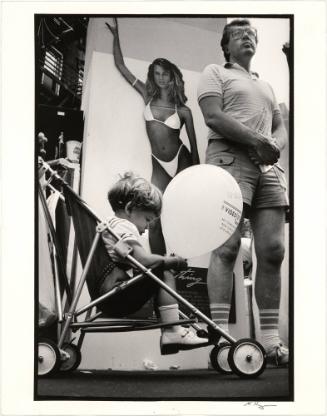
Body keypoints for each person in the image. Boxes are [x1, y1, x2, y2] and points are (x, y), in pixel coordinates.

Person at [197, 19, 289, 366]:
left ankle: (269, 342)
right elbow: (213, 117)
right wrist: (257, 142)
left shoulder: (265, 85)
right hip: (229, 160)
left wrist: (272, 147)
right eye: (238, 34)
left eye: (251, 34)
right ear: (226, 45)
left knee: (274, 250)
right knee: (227, 247)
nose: (247, 37)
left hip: (268, 169)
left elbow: (280, 128)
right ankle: (221, 342)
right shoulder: (214, 72)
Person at [105, 18, 200, 256]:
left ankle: (180, 263)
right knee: (154, 219)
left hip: (182, 159)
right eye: (157, 73)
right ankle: (159, 268)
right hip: (158, 164)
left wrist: (197, 176)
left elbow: (195, 149)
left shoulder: (184, 110)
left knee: (181, 214)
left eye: (165, 73)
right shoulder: (147, 95)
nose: (161, 77)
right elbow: (121, 66)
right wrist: (116, 35)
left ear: (172, 76)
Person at [98, 172, 207, 354]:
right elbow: (143, 260)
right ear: (130, 208)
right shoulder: (124, 226)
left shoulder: (111, 224)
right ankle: (172, 330)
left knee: (158, 270)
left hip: (108, 290)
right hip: (116, 294)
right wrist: (170, 261)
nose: (147, 227)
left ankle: (171, 331)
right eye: (147, 219)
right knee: (163, 272)